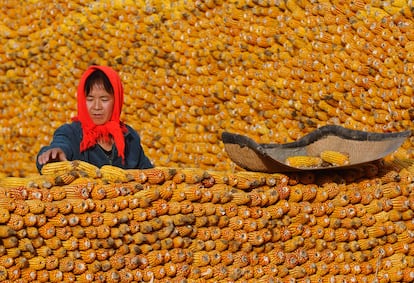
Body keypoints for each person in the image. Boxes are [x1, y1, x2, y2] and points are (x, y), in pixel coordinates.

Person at [36, 65, 153, 172]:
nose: (96, 107)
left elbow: (148, 172)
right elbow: (60, 145)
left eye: (104, 99)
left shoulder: (130, 138)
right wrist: (51, 155)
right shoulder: (71, 133)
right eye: (90, 99)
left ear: (116, 101)